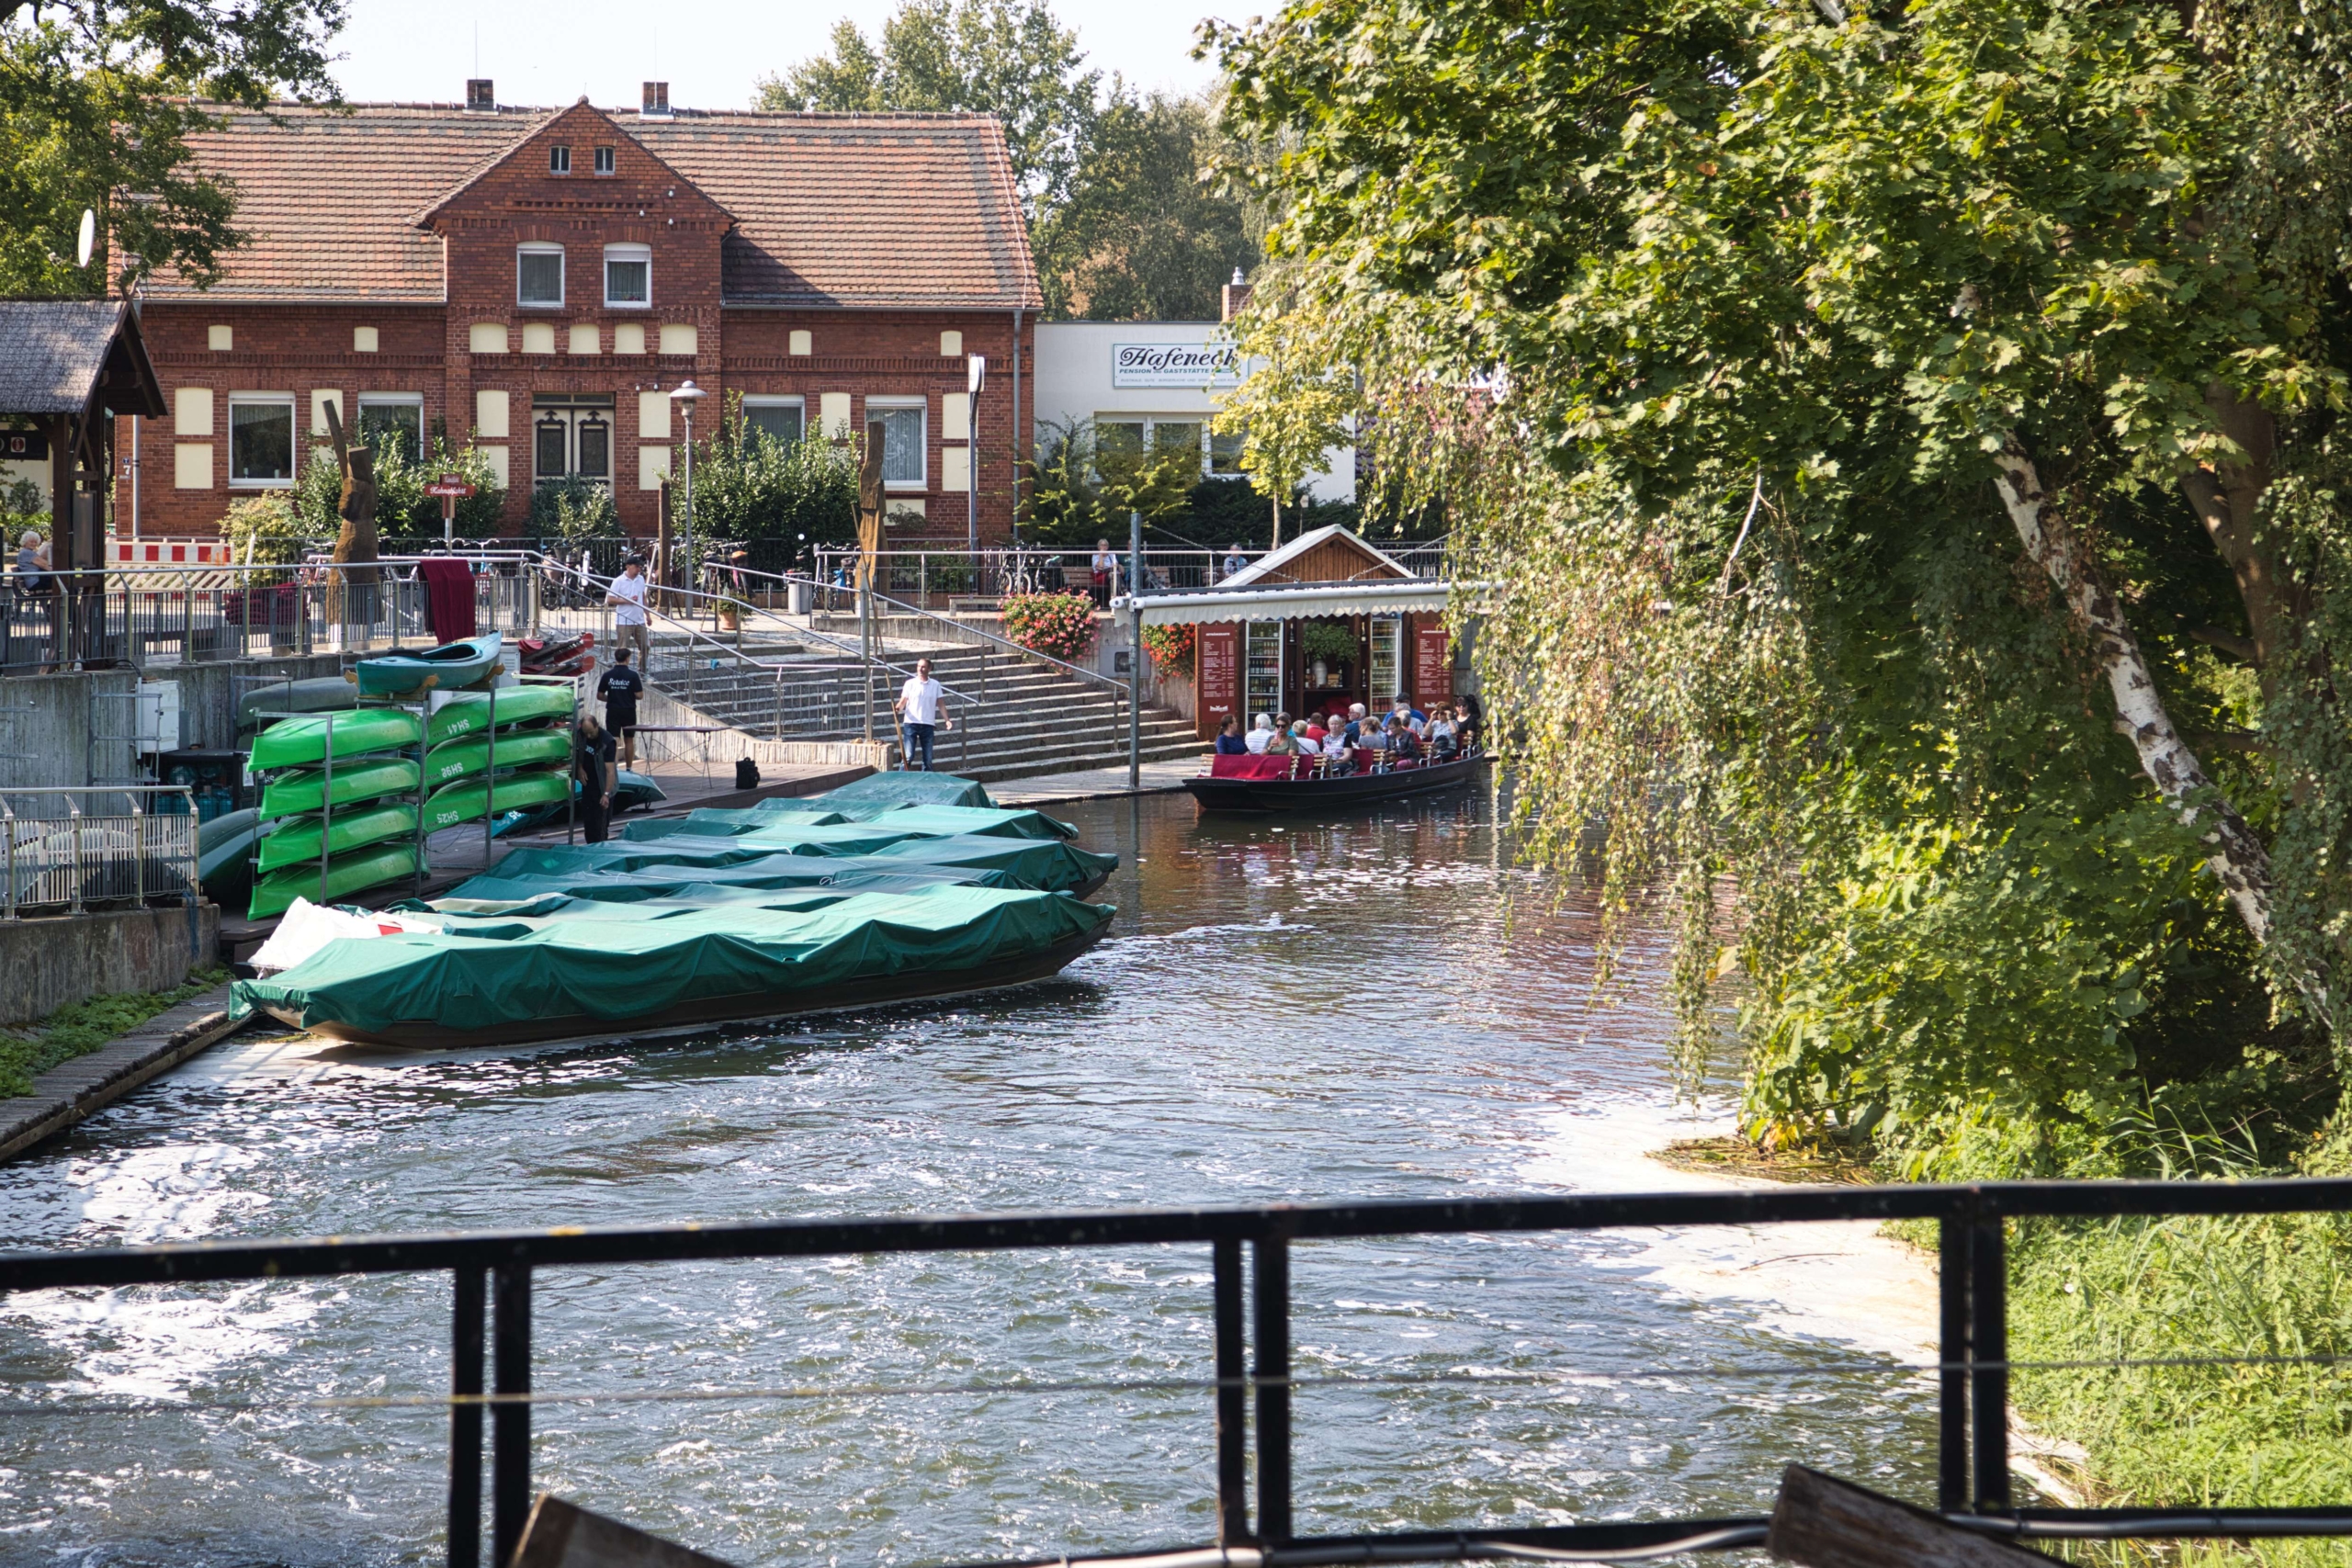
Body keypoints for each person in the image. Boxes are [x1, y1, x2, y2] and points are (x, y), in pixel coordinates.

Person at [893, 656, 951, 771]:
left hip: (928, 724)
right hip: (911, 723)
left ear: (929, 669)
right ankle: (900, 781)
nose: (920, 669)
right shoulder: (910, 683)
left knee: (928, 759)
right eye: (918, 666)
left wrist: (947, 720)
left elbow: (941, 704)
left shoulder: (935, 684)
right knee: (908, 757)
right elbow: (903, 701)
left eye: (923, 667)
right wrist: (898, 708)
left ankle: (927, 783)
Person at [596, 649, 645, 769]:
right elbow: (639, 695)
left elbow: (600, 695)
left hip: (613, 710)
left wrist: (613, 697)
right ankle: (629, 768)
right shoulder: (633, 675)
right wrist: (627, 695)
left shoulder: (608, 675)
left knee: (614, 740)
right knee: (629, 740)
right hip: (629, 710)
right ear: (627, 659)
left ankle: (614, 769)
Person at [573, 714, 617, 844]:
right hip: (589, 783)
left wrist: (606, 794)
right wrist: (579, 768)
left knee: (600, 826)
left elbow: (610, 772)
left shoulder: (607, 742)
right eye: (586, 733)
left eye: (591, 733)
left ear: (597, 726)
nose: (588, 736)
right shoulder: (581, 734)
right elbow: (579, 752)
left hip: (603, 784)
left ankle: (601, 850)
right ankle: (590, 847)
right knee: (589, 822)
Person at [606, 557, 652, 668]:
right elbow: (610, 599)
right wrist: (627, 600)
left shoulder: (640, 579)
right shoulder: (618, 581)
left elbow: (643, 597)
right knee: (623, 648)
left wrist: (648, 615)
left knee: (645, 646)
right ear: (628, 566)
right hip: (624, 620)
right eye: (636, 567)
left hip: (639, 620)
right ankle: (621, 670)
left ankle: (642, 670)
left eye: (640, 567)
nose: (639, 569)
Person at [1091, 538, 1118, 607]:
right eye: (1102, 545)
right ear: (1099, 547)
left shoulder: (1111, 555)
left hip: (1111, 574)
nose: (1104, 547)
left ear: (1108, 547)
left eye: (1105, 545)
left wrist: (1115, 565)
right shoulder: (1095, 556)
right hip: (1100, 576)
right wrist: (1101, 555)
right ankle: (1122, 594)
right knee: (1113, 576)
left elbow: (1116, 564)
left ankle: (1115, 599)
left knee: (1113, 576)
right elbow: (1101, 567)